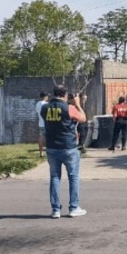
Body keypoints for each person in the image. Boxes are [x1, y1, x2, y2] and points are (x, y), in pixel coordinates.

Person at [41, 86, 87, 218]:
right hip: (68, 147)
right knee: (73, 177)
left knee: (55, 177)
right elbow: (83, 118)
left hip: (51, 147)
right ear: (65, 95)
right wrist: (77, 104)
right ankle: (74, 207)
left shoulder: (44, 108)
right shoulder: (69, 108)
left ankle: (55, 209)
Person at [35, 91, 48, 158]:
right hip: (47, 123)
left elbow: (37, 112)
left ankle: (41, 153)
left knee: (41, 137)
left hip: (40, 123)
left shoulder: (37, 104)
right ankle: (49, 152)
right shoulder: (47, 104)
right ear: (45, 96)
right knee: (48, 138)